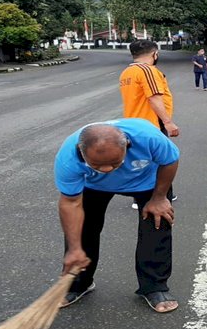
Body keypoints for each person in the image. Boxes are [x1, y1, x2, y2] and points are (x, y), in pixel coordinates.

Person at [56, 120, 180, 313]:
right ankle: (80, 284)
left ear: (128, 146)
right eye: (97, 164)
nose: (106, 170)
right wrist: (74, 248)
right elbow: (70, 202)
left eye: (114, 163)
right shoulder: (68, 157)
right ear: (81, 152)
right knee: (83, 231)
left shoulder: (148, 137)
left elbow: (170, 160)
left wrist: (159, 197)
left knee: (157, 223)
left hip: (146, 182)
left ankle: (155, 287)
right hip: (94, 186)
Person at [119, 40, 179, 137]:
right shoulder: (147, 70)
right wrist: (168, 122)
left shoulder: (126, 72)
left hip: (133, 125)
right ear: (155, 54)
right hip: (150, 126)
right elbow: (154, 97)